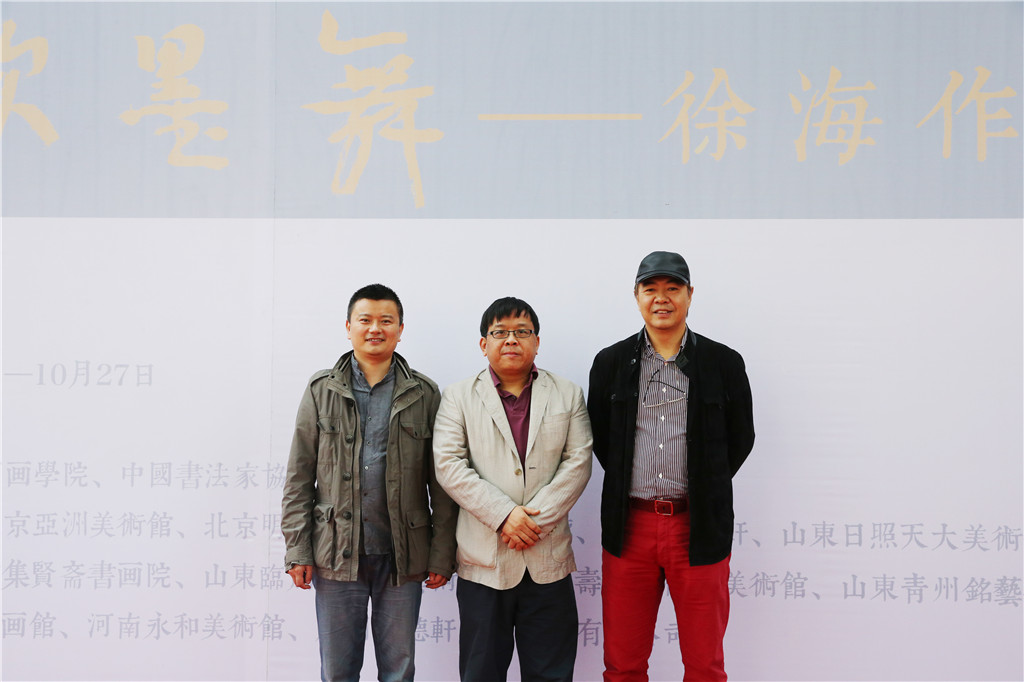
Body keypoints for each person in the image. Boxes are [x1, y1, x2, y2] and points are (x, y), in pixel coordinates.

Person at [588, 251, 755, 682]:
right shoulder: (610, 362)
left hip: (697, 527)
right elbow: (603, 440)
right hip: (630, 527)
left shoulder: (723, 362)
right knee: (623, 664)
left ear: (690, 294)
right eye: (651, 289)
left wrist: (704, 483)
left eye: (672, 288)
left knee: (704, 665)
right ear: (637, 296)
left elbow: (741, 439)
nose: (661, 298)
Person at [281, 283, 457, 682]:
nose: (375, 328)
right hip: (335, 553)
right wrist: (297, 549)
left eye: (386, 321)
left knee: (399, 670)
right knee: (338, 671)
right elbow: (298, 477)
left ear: (400, 329)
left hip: (403, 555)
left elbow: (442, 484)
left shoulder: (424, 393)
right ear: (349, 327)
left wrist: (441, 554)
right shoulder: (321, 390)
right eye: (365, 320)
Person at [433, 297, 593, 682]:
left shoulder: (567, 393)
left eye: (522, 332)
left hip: (547, 561)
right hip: (484, 566)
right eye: (500, 332)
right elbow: (449, 465)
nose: (511, 340)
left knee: (551, 674)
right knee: (481, 673)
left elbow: (578, 462)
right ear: (483, 343)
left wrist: (530, 523)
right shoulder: (458, 396)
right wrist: (504, 515)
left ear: (537, 342)